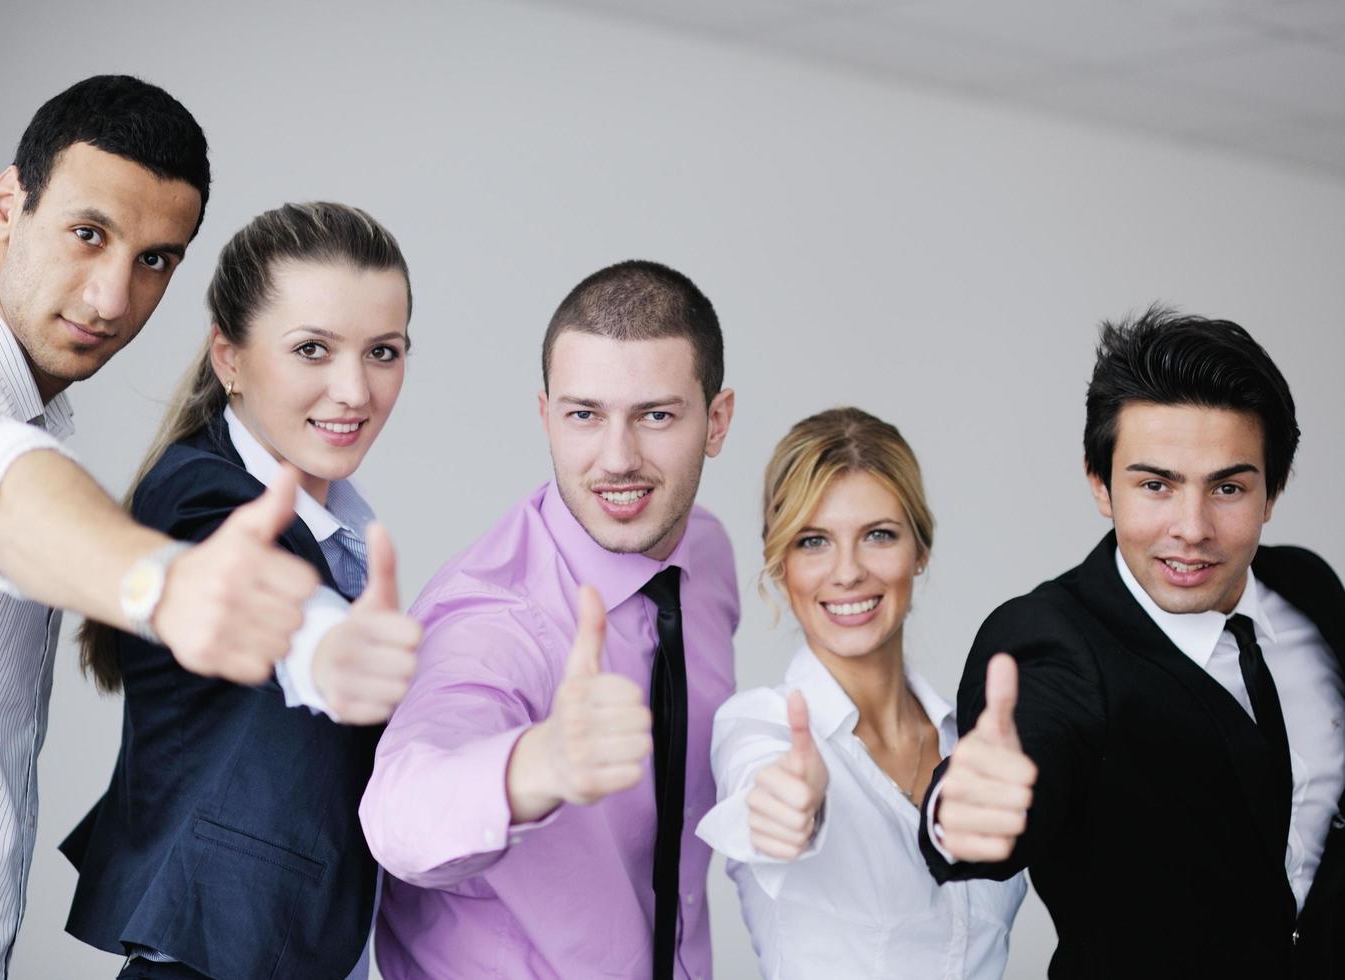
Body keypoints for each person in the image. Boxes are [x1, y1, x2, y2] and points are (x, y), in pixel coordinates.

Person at [0, 75, 322, 979]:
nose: (113, 296)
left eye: (156, 259)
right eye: (89, 235)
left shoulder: (33, 417)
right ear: (9, 204)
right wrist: (164, 585)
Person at [919, 308, 1345, 978]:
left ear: (1272, 492)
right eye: (1155, 485)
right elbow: (1024, 757)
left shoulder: (1309, 588)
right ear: (1099, 484)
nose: (1191, 528)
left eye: (1227, 487)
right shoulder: (1047, 640)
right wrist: (965, 815)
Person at [60, 202, 421, 979]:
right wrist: (327, 648)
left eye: (383, 352)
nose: (354, 390)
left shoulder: (335, 522)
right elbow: (262, 595)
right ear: (229, 357)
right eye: (312, 349)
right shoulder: (199, 496)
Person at [362, 260, 738, 979]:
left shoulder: (706, 558)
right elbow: (401, 817)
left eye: (655, 415)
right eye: (583, 415)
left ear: (715, 421)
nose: (617, 459)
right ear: (546, 418)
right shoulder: (489, 618)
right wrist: (538, 764)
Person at [697, 406, 1025, 979]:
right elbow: (760, 788)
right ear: (779, 565)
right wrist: (788, 806)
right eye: (813, 541)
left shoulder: (969, 741)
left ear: (920, 549)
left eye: (878, 535)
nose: (847, 572)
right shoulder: (763, 726)